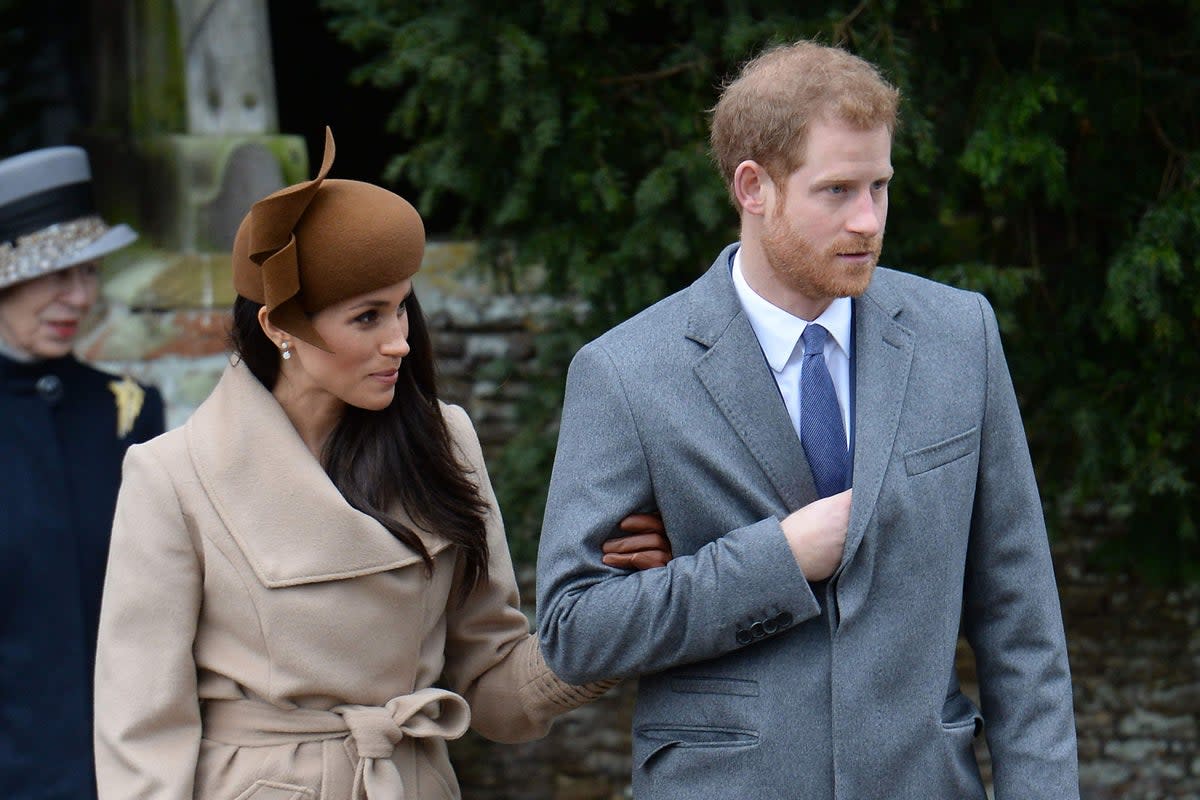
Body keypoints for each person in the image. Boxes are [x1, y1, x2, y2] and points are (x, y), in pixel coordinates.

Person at [536, 40, 1079, 799]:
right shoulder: (626, 373)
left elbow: (1020, 621)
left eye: (880, 187)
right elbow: (573, 632)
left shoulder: (961, 336)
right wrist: (775, 561)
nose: (868, 221)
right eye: (837, 191)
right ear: (753, 187)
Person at [92, 128, 669, 800]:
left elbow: (496, 693)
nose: (400, 341)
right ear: (280, 326)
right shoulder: (172, 478)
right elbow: (142, 736)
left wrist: (627, 609)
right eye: (367, 318)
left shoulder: (442, 441)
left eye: (402, 307)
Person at [0, 145, 165, 799]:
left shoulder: (126, 411)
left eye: (90, 271)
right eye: (54, 274)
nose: (80, 296)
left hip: (130, 774)